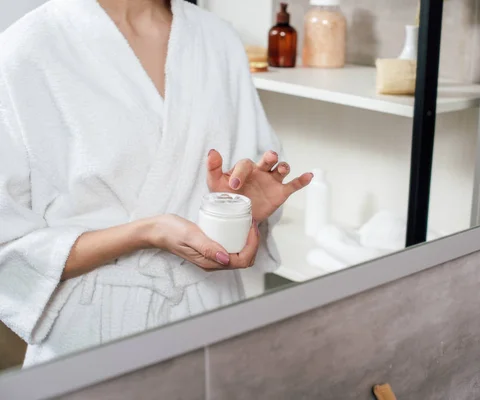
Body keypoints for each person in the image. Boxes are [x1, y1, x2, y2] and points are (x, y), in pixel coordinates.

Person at [0, 0, 312, 367]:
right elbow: (10, 248)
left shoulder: (216, 39)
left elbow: (241, 199)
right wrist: (145, 232)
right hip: (92, 336)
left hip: (211, 317)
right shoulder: (29, 47)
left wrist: (238, 212)